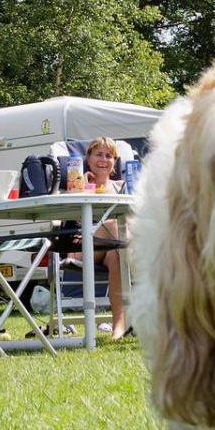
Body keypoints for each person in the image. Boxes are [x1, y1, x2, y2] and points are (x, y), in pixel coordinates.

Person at [72, 136, 127, 341]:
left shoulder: (122, 186)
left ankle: (118, 327)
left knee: (115, 256)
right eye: (98, 154)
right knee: (114, 226)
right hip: (81, 246)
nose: (104, 159)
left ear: (115, 162)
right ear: (88, 158)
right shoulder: (77, 183)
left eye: (109, 155)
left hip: (113, 248)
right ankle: (140, 258)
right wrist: (80, 188)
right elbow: (66, 218)